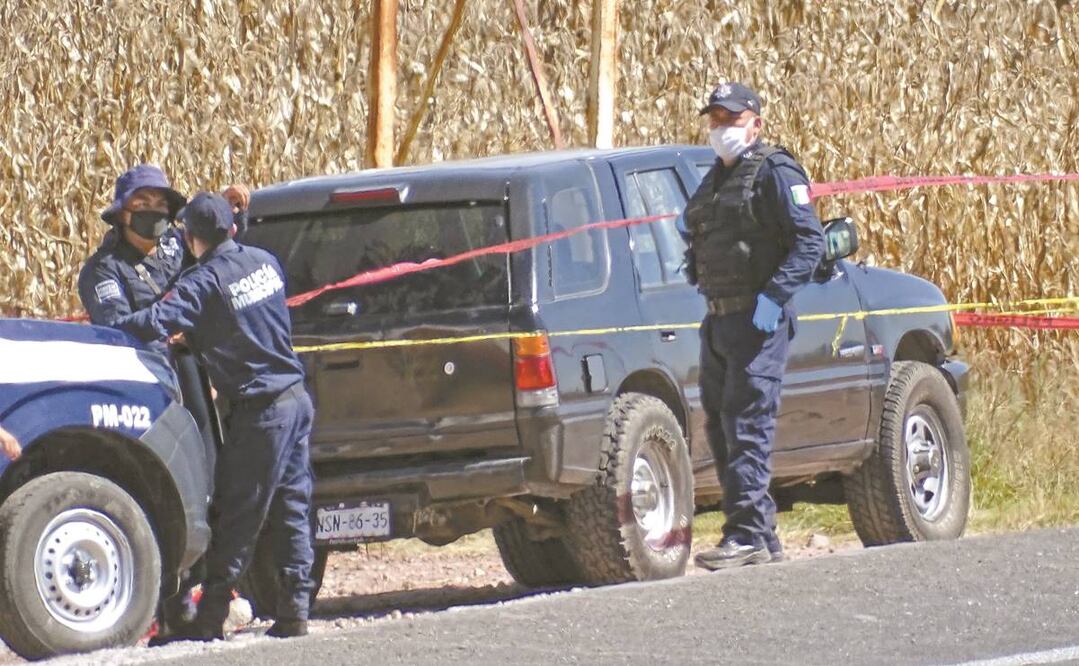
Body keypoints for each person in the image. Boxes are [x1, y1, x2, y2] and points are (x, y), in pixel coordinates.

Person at [115, 192, 315, 641]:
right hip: (295, 399)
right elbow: (242, 321)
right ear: (233, 229)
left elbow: (152, 322)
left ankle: (211, 618)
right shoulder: (264, 262)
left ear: (190, 237)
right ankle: (295, 609)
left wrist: (108, 328)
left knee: (236, 515)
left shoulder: (202, 282)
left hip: (261, 412)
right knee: (291, 507)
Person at [76, 164, 250, 638]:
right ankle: (160, 607)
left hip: (192, 374)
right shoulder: (103, 270)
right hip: (144, 387)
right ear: (120, 215)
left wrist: (236, 214)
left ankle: (204, 593)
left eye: (160, 206)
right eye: (141, 206)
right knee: (159, 488)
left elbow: (217, 257)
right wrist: (170, 326)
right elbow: (119, 327)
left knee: (208, 478)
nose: (153, 214)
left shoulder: (174, 247)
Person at [684, 82, 824, 570]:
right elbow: (701, 237)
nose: (722, 128)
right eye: (716, 119)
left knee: (747, 426)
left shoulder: (775, 172)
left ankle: (744, 535)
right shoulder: (713, 180)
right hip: (719, 319)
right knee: (722, 429)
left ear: (756, 122)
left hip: (758, 321)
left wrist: (774, 297)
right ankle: (759, 537)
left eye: (732, 118)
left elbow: (810, 243)